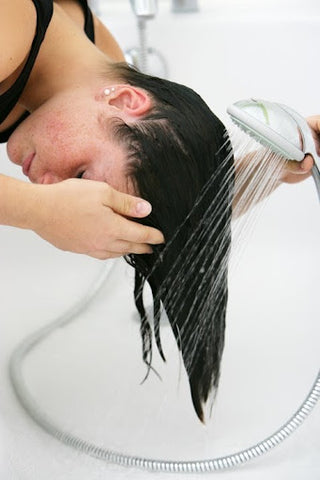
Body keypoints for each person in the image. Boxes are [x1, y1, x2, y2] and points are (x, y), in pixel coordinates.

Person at [1, 0, 318, 421]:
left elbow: (156, 216)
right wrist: (37, 211)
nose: (48, 189)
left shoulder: (94, 73)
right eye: (79, 177)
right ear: (127, 101)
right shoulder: (9, 25)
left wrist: (261, 171)